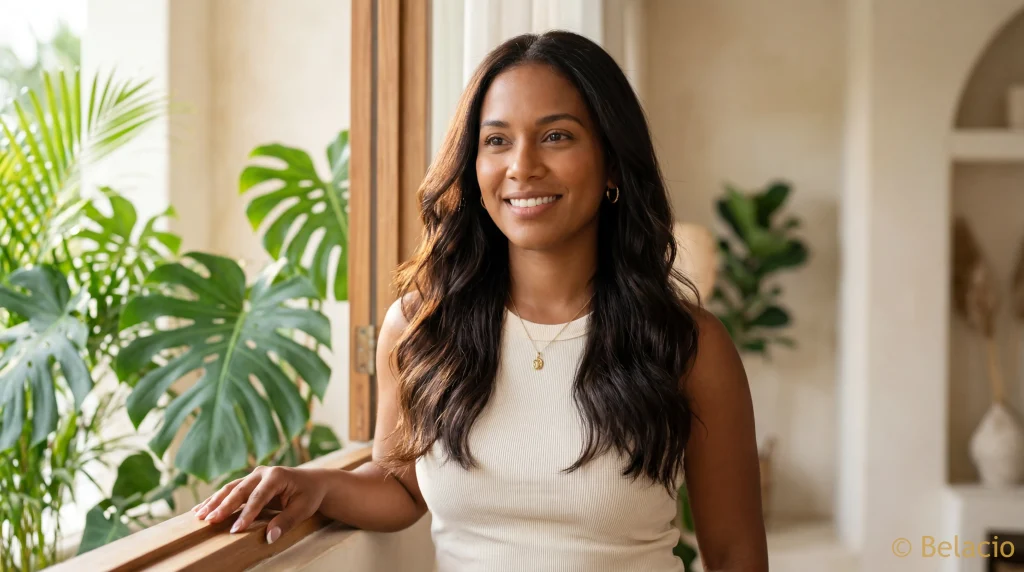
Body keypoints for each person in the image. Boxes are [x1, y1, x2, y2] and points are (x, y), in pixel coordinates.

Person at [192, 30, 768, 572]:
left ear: (612, 161)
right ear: (473, 165)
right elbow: (399, 485)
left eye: (556, 136)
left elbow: (736, 551)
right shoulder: (422, 327)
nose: (522, 166)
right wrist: (315, 483)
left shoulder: (689, 344)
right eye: (497, 141)